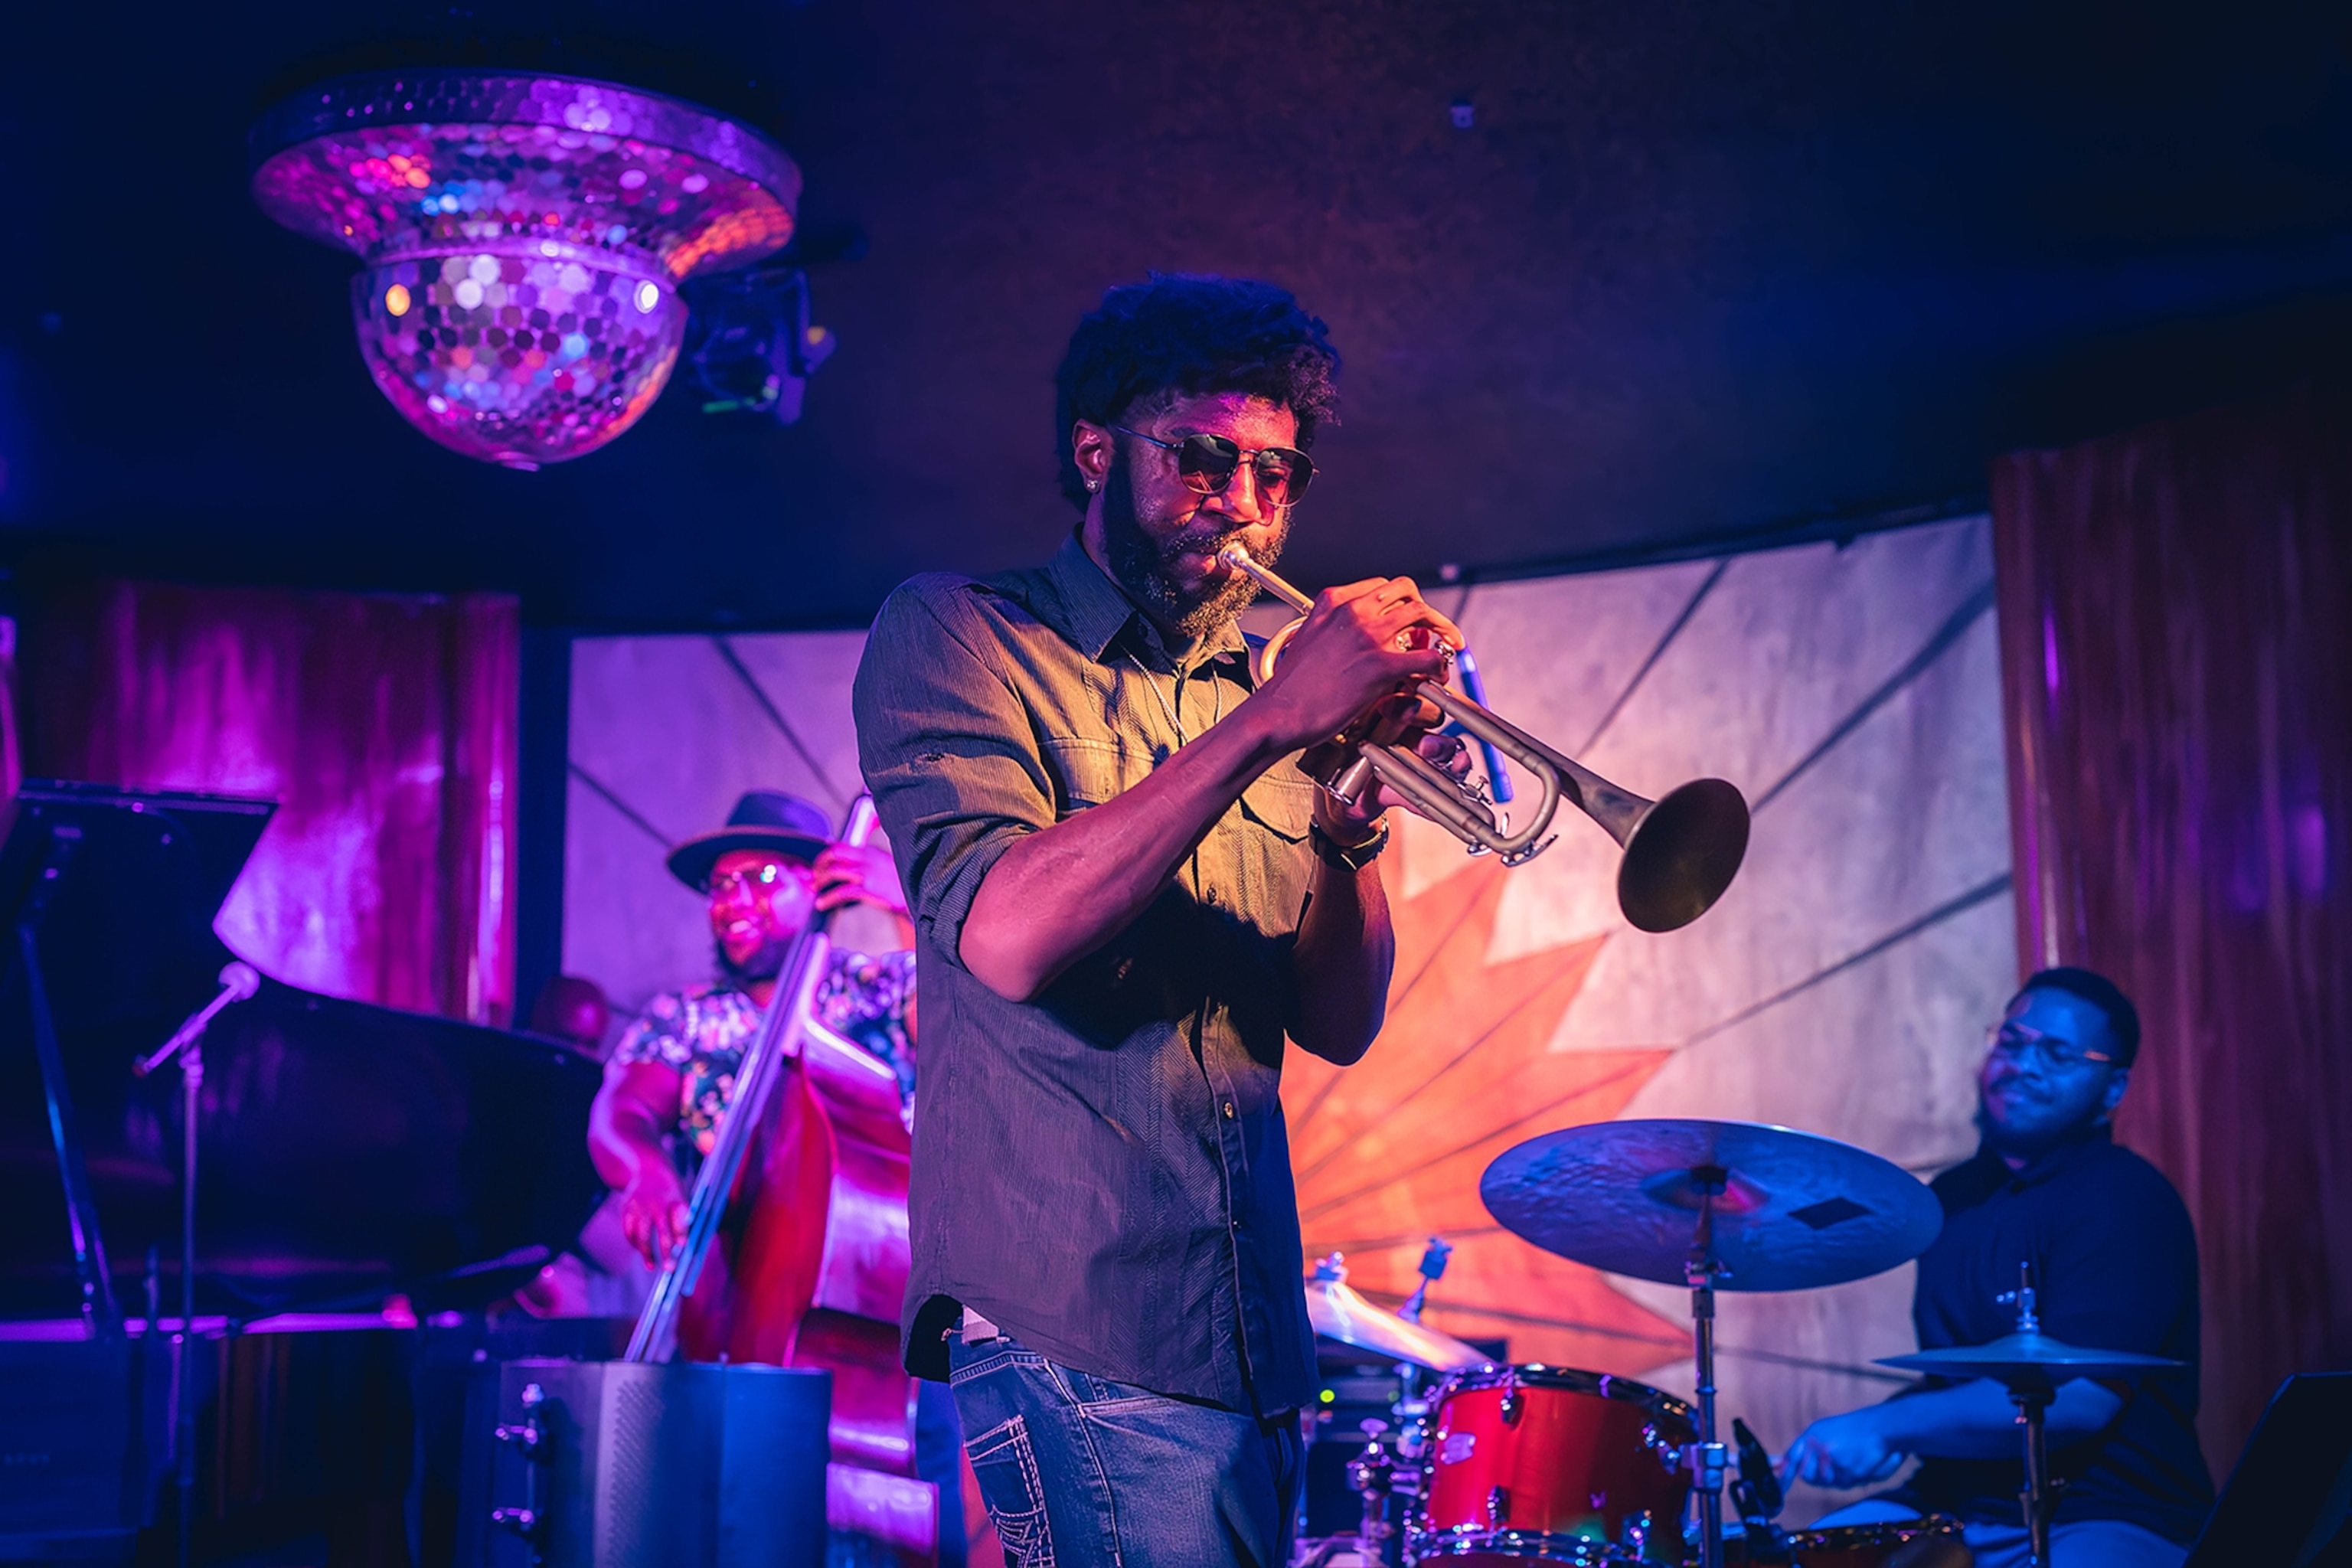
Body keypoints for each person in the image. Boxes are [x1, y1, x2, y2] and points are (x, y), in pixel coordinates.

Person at [851, 273, 1475, 1566]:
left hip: (1245, 1327)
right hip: (1077, 1304)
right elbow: (1007, 936)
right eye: (1201, 458)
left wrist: (1350, 827)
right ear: (1096, 449)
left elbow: (1336, 1022)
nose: (1242, 504)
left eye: (1276, 473)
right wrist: (1270, 726)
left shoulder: (1271, 696)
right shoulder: (962, 631)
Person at [584, 789, 964, 1566]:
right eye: (722, 885)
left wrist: (913, 905)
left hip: (876, 1318)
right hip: (724, 1312)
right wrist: (646, 1173)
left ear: (817, 882)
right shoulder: (683, 1016)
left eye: (761, 877)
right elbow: (619, 1115)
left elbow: (965, 1028)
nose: (735, 900)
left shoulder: (879, 989)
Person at [1781, 967, 2213, 1566]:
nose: (2024, 1064)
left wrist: (1889, 1427)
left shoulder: (2125, 1198)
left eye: (2059, 1053)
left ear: (2113, 1089)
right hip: (1960, 1499)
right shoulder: (1952, 1199)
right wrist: (1882, 1424)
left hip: (2107, 1508)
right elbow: (1966, 1384)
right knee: (1806, 1555)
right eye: (2012, 1042)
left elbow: (2079, 1401)